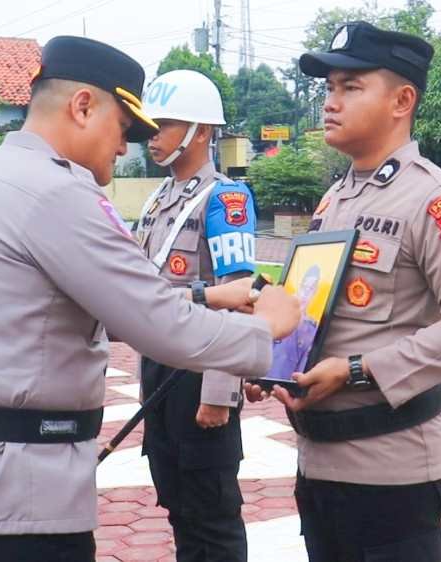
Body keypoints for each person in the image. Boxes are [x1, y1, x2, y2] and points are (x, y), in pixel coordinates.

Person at [0, 36, 300, 562]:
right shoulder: (59, 193)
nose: (127, 148)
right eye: (124, 129)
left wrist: (211, 309)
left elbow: (115, 298)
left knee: (206, 518)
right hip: (2, 503)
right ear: (82, 106)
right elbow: (154, 317)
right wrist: (268, 329)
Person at [253, 21, 441, 562]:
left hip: (391, 472)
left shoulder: (435, 200)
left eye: (350, 86)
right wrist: (271, 362)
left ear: (402, 100)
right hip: (318, 461)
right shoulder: (335, 198)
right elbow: (316, 311)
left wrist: (357, 370)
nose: (330, 103)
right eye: (328, 88)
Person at [137, 69, 258, 562]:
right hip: (158, 369)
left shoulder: (225, 199)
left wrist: (220, 392)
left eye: (165, 124)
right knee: (177, 503)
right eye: (150, 124)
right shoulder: (158, 199)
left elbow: (240, 296)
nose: (153, 136)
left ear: (202, 131)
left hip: (200, 374)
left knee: (212, 513)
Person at [265, 265, 322, 381]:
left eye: (310, 289)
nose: (306, 293)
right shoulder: (279, 317)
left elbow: (303, 370)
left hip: (287, 390)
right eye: (304, 287)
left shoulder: (312, 329)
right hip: (262, 385)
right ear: (299, 288)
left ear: (315, 292)